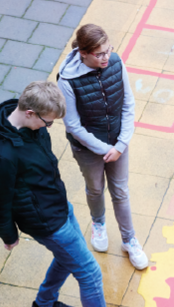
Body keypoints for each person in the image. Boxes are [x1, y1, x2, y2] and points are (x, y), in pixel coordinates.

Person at [0, 80, 151, 307]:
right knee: (90, 273)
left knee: (67, 256)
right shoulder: (3, 155)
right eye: (47, 123)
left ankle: (43, 305)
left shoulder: (26, 123)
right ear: (30, 113)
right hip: (44, 220)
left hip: (57, 206)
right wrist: (8, 234)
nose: (49, 128)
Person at [57, 24, 148, 270]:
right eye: (99, 54)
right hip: (88, 149)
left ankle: (129, 240)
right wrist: (103, 148)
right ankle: (98, 223)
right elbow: (73, 125)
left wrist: (121, 144)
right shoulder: (67, 80)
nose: (106, 57)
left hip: (118, 143)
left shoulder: (116, 63)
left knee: (120, 191)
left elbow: (129, 104)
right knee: (95, 189)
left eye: (108, 50)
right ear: (83, 53)